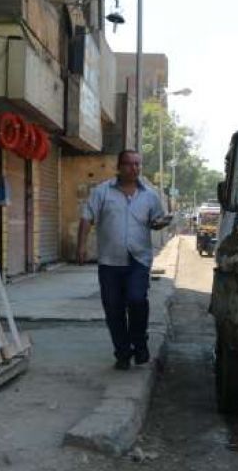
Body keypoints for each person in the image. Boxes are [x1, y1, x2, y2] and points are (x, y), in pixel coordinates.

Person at [77, 150, 168, 370]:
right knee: (113, 309)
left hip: (138, 259)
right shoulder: (102, 192)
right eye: (129, 164)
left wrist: (160, 224)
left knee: (137, 300)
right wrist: (80, 247)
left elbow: (156, 220)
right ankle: (123, 352)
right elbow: (87, 218)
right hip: (110, 261)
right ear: (119, 166)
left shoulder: (150, 195)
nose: (134, 168)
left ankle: (140, 343)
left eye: (137, 164)